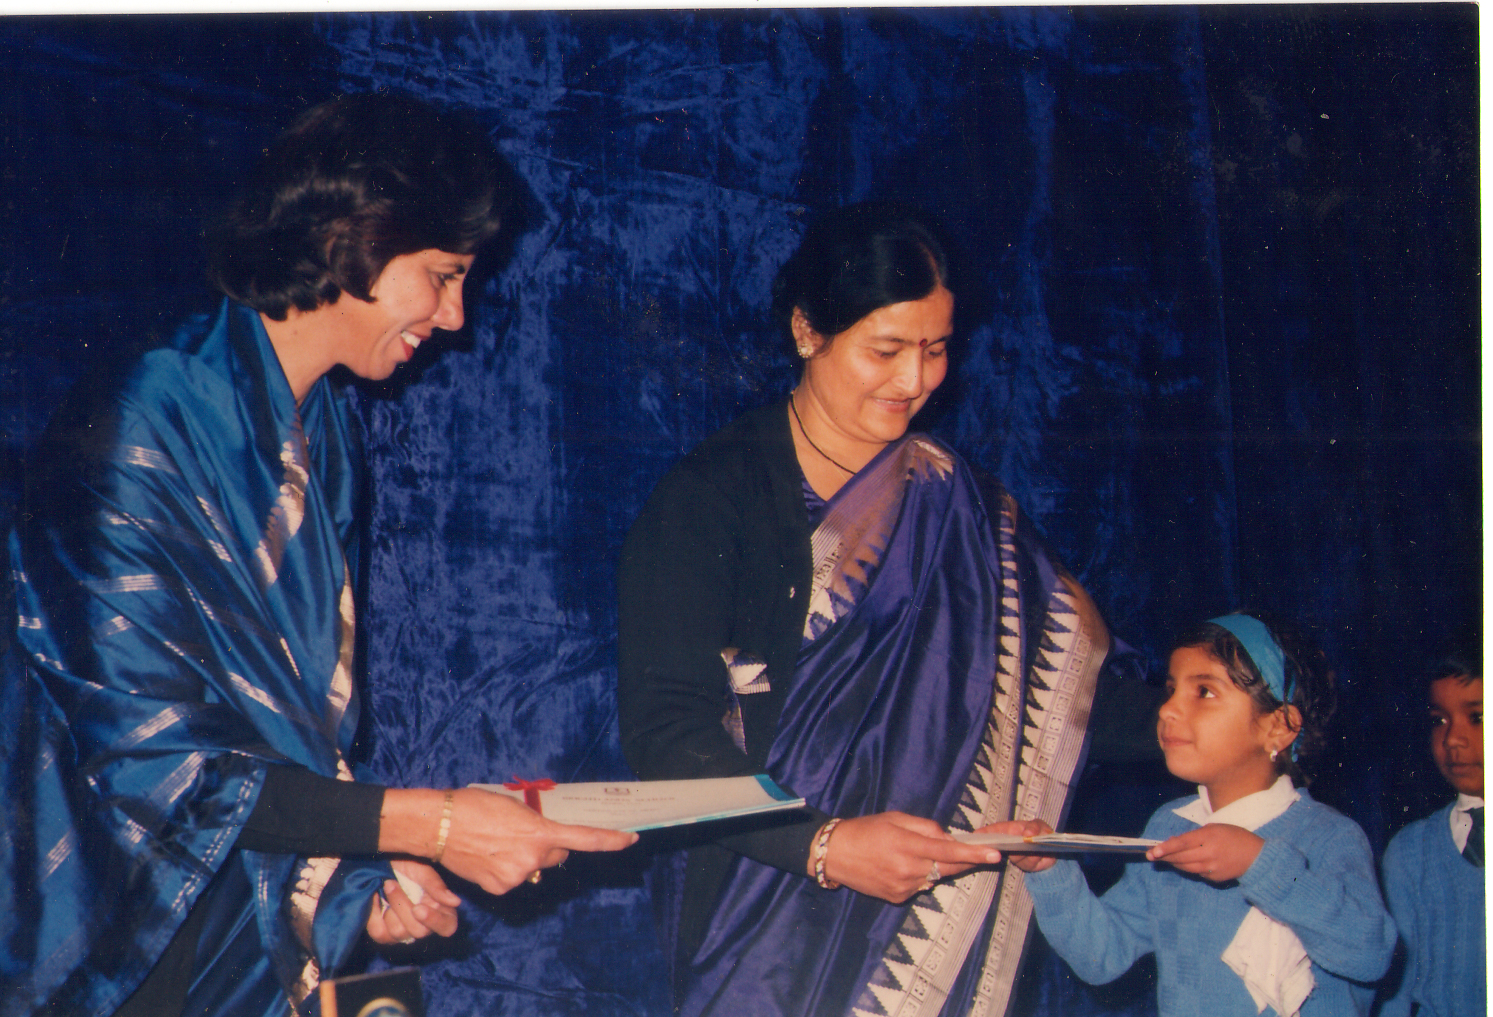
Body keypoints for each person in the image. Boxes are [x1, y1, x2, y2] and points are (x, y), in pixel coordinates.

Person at [0, 92, 635, 1017]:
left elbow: (286, 740)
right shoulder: (146, 418)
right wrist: (431, 823)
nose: (455, 316)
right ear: (355, 236)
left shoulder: (323, 434)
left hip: (225, 932)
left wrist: (358, 887)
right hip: (105, 932)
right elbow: (155, 756)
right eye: (442, 275)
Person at [617, 202, 1117, 1017]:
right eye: (885, 350)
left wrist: (1236, 736)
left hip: (926, 916)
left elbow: (1054, 680)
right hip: (760, 908)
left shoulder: (956, 500)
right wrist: (822, 843)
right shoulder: (711, 499)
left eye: (935, 349)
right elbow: (664, 732)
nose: (914, 381)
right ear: (807, 330)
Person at [1012, 614, 1396, 1016]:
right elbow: (1102, 955)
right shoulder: (1171, 825)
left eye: (1204, 692)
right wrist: (1049, 870)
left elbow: (1369, 952)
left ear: (1279, 727)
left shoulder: (1329, 835)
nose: (1168, 710)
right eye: (1172, 690)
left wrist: (1259, 862)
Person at [1374, 648, 1483, 1017]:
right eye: (1439, 720)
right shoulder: (1411, 852)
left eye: (1477, 717)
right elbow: (1395, 996)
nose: (1452, 739)